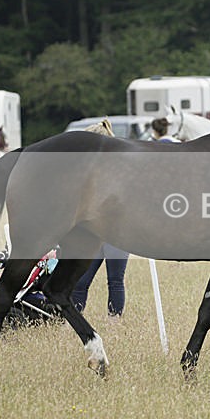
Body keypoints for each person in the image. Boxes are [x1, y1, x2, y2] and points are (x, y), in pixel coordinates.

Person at [71, 118, 130, 317]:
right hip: (93, 232)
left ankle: (115, 323)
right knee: (80, 280)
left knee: (114, 279)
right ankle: (71, 321)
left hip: (117, 232)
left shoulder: (119, 169)